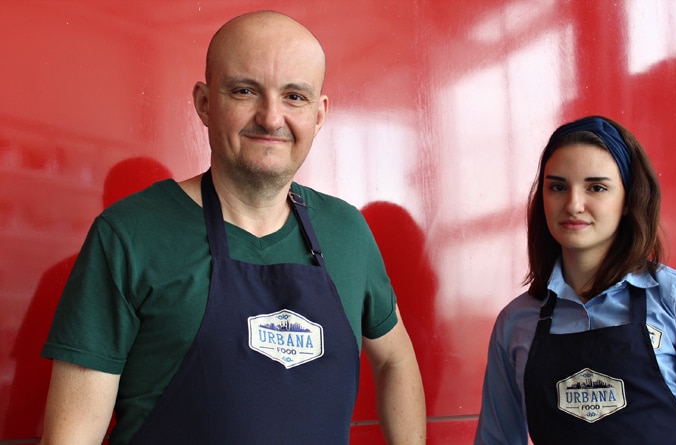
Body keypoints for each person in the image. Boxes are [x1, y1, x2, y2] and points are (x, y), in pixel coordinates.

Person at [40, 10, 425, 445]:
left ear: (319, 115)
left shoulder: (347, 231)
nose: (271, 117)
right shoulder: (129, 235)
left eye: (294, 97)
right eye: (245, 90)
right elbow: (71, 437)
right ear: (205, 104)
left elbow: (395, 360)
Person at [474, 116, 676, 444]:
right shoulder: (515, 322)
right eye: (558, 187)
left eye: (596, 187)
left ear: (628, 201)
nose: (573, 204)